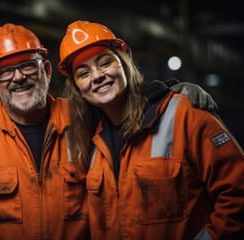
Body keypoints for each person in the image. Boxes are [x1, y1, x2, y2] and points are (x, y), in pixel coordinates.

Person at [0, 23, 216, 240]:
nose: (18, 78)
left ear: (46, 69)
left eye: (28, 66)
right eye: (5, 71)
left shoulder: (87, 119)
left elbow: (123, 103)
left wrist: (170, 91)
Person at [58, 20, 244, 240]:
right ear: (78, 89)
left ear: (124, 63)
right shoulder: (90, 143)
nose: (97, 76)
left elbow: (238, 194)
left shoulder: (184, 115)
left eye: (105, 62)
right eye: (83, 73)